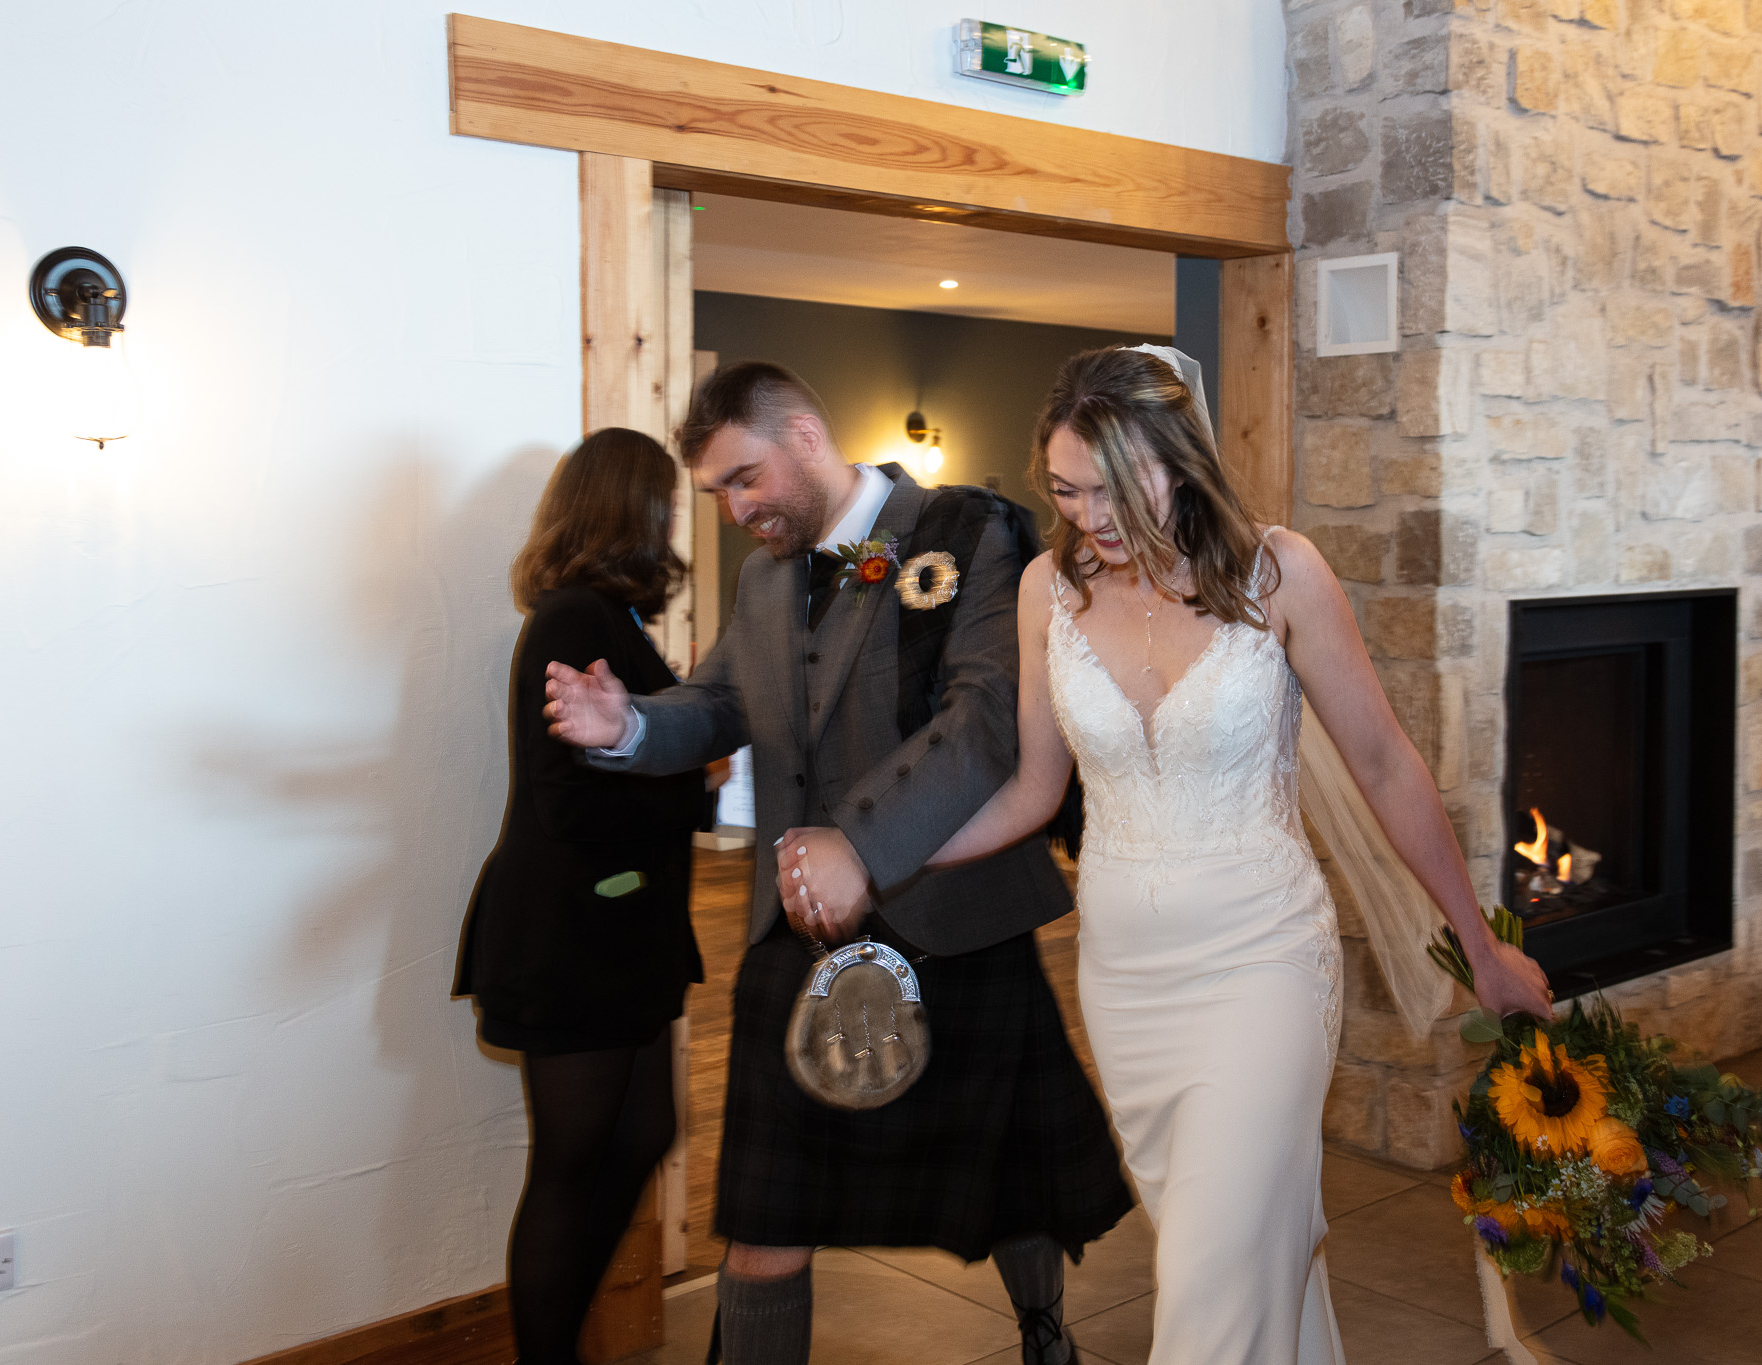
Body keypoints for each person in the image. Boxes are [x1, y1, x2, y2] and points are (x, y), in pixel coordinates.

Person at [786, 345, 1554, 1364]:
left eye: (1112, 487)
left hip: (1263, 959)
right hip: (1127, 984)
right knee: (1239, 1260)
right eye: (1067, 490)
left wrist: (1481, 948)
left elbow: (1382, 762)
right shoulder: (1047, 589)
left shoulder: (1278, 572)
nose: (1089, 515)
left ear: (1178, 456)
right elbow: (1033, 791)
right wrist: (878, 858)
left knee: (1211, 1278)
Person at [543, 362, 1132, 1365]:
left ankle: (1044, 1332)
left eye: (744, 478)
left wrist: (860, 846)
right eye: (716, 491)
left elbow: (984, 721)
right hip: (801, 930)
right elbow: (720, 703)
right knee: (765, 1213)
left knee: (1011, 1178)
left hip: (957, 915)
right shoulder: (764, 578)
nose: (733, 511)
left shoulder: (964, 532)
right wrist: (629, 724)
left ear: (806, 439)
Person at [454, 427, 713, 1365]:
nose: (675, 517)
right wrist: (693, 778)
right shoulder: (574, 618)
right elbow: (570, 795)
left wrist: (684, 760)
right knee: (568, 1167)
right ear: (628, 507)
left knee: (645, 1131)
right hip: (571, 938)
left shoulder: (613, 618)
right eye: (666, 500)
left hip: (618, 933)